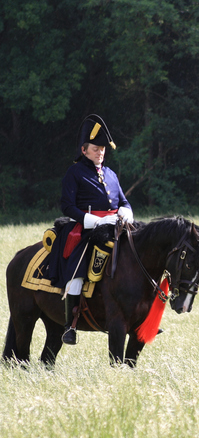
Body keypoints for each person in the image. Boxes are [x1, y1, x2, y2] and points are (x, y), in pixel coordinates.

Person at [50, 115, 134, 345]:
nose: (100, 153)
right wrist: (90, 221)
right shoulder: (74, 173)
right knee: (77, 270)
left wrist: (126, 212)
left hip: (115, 227)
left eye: (103, 150)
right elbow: (67, 206)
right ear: (84, 150)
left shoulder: (111, 174)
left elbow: (124, 202)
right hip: (85, 229)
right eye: (96, 149)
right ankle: (71, 325)